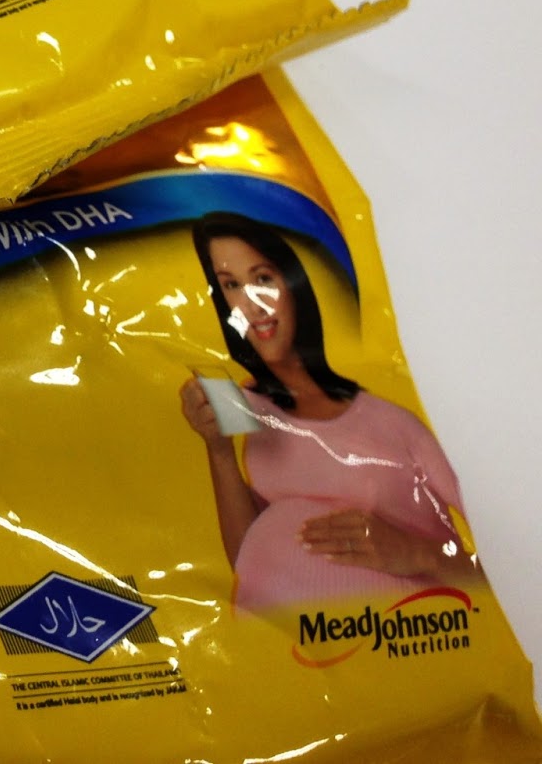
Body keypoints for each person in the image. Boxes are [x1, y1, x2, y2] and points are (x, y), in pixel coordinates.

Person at [176, 212, 478, 615]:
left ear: (295, 284)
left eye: (263, 278)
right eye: (231, 285)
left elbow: (515, 560)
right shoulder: (241, 405)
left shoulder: (398, 423)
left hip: (406, 635)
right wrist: (219, 450)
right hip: (289, 643)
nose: (251, 304)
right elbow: (248, 561)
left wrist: (421, 554)